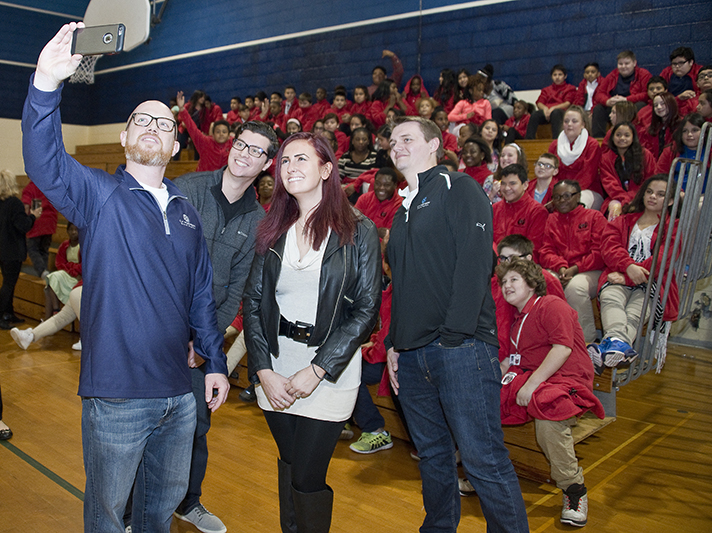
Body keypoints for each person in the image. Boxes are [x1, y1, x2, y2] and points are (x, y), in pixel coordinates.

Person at [22, 23, 230, 533]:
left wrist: (216, 362)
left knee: (159, 512)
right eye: (142, 121)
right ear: (125, 137)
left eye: (164, 122)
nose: (154, 127)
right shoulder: (98, 195)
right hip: (116, 396)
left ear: (176, 141)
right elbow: (44, 161)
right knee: (109, 517)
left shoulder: (185, 211)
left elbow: (201, 294)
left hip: (180, 395)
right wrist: (46, 85)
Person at [384, 116, 529, 533]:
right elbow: (404, 285)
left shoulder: (458, 187)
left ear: (434, 145)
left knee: (483, 458)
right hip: (411, 356)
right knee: (432, 455)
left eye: (406, 139)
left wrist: (454, 335)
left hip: (461, 349)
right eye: (393, 142)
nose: (397, 147)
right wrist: (395, 343)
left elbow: (476, 260)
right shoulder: (401, 211)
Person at [243, 132, 380, 533]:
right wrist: (263, 370)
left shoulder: (358, 229)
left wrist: (318, 369)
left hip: (327, 372)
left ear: (326, 169)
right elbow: (252, 302)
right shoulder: (272, 227)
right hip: (277, 368)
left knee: (306, 476)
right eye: (284, 161)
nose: (291, 168)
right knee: (289, 466)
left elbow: (366, 310)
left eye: (301, 159)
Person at [171, 120, 278, 533]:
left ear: (267, 164)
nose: (244, 154)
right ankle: (131, 510)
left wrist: (203, 345)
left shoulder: (259, 221)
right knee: (144, 423)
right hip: (158, 329)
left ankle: (188, 502)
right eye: (241, 145)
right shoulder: (188, 190)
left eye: (256, 151)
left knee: (196, 423)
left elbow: (234, 291)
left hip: (201, 341)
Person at [496, 258, 604, 527]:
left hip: (567, 379)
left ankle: (574, 489)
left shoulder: (552, 305)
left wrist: (531, 385)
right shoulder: (517, 319)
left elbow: (562, 349)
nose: (506, 286)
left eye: (513, 280)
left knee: (547, 415)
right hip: (537, 378)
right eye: (503, 282)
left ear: (532, 284)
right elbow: (513, 360)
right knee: (485, 401)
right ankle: (487, 475)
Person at [589, 175, 680, 371]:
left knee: (634, 313)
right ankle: (617, 346)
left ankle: (608, 346)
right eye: (649, 192)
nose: (653, 197)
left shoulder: (673, 226)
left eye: (661, 194)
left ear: (671, 201)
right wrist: (628, 266)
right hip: (619, 277)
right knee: (610, 297)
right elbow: (609, 247)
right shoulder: (624, 220)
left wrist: (627, 276)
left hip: (651, 283)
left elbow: (662, 259)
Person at [539, 180, 607, 343]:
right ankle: (553, 337)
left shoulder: (594, 217)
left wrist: (576, 269)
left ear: (578, 197)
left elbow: (600, 252)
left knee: (576, 288)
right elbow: (545, 251)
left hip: (590, 270)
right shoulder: (552, 220)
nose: (562, 200)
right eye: (557, 197)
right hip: (561, 269)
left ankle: (585, 341)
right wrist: (561, 267)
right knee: (544, 281)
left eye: (567, 196)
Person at [0, 169, 42, 330]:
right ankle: (2, 314)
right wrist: (32, 216)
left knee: (7, 282)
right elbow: (23, 226)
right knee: (9, 284)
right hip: (12, 250)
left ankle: (8, 312)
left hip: (2, 249)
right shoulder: (14, 203)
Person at [548, 105, 603, 209]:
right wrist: (558, 192)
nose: (569, 124)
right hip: (560, 191)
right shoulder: (554, 145)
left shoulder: (592, 144)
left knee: (576, 204)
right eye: (566, 121)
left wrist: (568, 193)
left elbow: (588, 175)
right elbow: (551, 173)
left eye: (574, 121)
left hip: (587, 190)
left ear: (583, 125)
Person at [600, 122, 656, 220]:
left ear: (633, 137)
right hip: (616, 197)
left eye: (627, 135)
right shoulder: (605, 158)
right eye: (618, 135)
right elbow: (609, 184)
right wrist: (625, 199)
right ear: (612, 137)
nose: (622, 138)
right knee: (615, 209)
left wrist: (635, 198)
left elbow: (650, 179)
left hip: (641, 197)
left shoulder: (645, 155)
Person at [493, 163, 549, 261]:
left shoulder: (536, 211)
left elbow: (534, 251)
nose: (506, 188)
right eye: (503, 183)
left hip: (521, 267)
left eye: (512, 183)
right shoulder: (494, 209)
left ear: (525, 185)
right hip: (494, 264)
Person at [591, 50, 652, 137]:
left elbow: (647, 94)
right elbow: (599, 93)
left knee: (641, 105)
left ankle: (634, 137)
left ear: (634, 63)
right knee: (599, 109)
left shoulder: (644, 74)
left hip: (632, 107)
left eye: (627, 63)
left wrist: (626, 99)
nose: (623, 66)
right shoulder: (612, 75)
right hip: (615, 107)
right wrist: (607, 101)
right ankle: (599, 140)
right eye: (620, 64)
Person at [12, 284, 83, 351]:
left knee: (61, 316)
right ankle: (30, 336)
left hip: (84, 290)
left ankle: (87, 339)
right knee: (62, 317)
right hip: (83, 289)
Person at [178, 91, 232, 172]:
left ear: (229, 135)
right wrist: (182, 109)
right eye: (218, 132)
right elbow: (192, 128)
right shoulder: (205, 142)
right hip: (204, 180)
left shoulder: (234, 144)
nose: (221, 134)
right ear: (212, 134)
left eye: (224, 132)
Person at [656, 113, 709, 192]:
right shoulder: (671, 151)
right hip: (677, 197)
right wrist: (679, 193)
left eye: (695, 130)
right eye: (685, 131)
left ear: (704, 133)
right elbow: (659, 178)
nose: (689, 134)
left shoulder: (709, 151)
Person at [525, 64, 577, 139]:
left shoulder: (570, 88)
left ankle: (557, 140)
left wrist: (553, 108)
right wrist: (545, 109)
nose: (557, 77)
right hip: (547, 112)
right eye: (555, 75)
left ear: (565, 76)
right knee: (535, 114)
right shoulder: (546, 89)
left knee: (555, 113)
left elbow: (567, 103)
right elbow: (539, 102)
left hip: (561, 113)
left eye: (560, 74)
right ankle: (529, 140)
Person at [43, 221, 81, 320]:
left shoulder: (83, 246)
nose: (74, 232)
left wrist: (74, 269)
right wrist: (70, 268)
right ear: (67, 231)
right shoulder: (64, 245)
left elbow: (84, 265)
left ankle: (54, 314)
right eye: (71, 230)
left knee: (52, 280)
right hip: (68, 274)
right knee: (52, 279)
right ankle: (54, 311)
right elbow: (59, 263)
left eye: (76, 230)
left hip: (79, 277)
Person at [21, 179, 57, 279]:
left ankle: (42, 271)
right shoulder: (48, 186)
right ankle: (44, 273)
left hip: (37, 223)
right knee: (44, 250)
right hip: (50, 222)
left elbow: (26, 206)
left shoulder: (30, 188)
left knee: (33, 249)